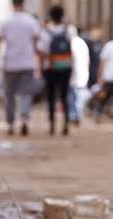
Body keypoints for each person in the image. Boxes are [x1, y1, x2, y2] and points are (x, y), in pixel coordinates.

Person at [0, 0, 41, 136]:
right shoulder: (31, 21)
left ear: (12, 4)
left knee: (10, 94)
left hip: (11, 63)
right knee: (26, 93)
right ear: (24, 4)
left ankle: (10, 123)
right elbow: (37, 40)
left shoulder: (6, 21)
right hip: (27, 63)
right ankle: (25, 120)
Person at [38, 5, 74, 135]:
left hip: (50, 68)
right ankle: (65, 124)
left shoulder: (45, 32)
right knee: (64, 96)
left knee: (51, 97)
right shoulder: (69, 30)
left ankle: (52, 125)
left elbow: (41, 51)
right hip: (65, 67)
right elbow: (72, 48)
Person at [68, 28, 91, 125]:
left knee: (73, 96)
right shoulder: (82, 43)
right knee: (78, 96)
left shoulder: (72, 43)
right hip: (82, 72)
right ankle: (76, 115)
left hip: (74, 73)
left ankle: (74, 115)